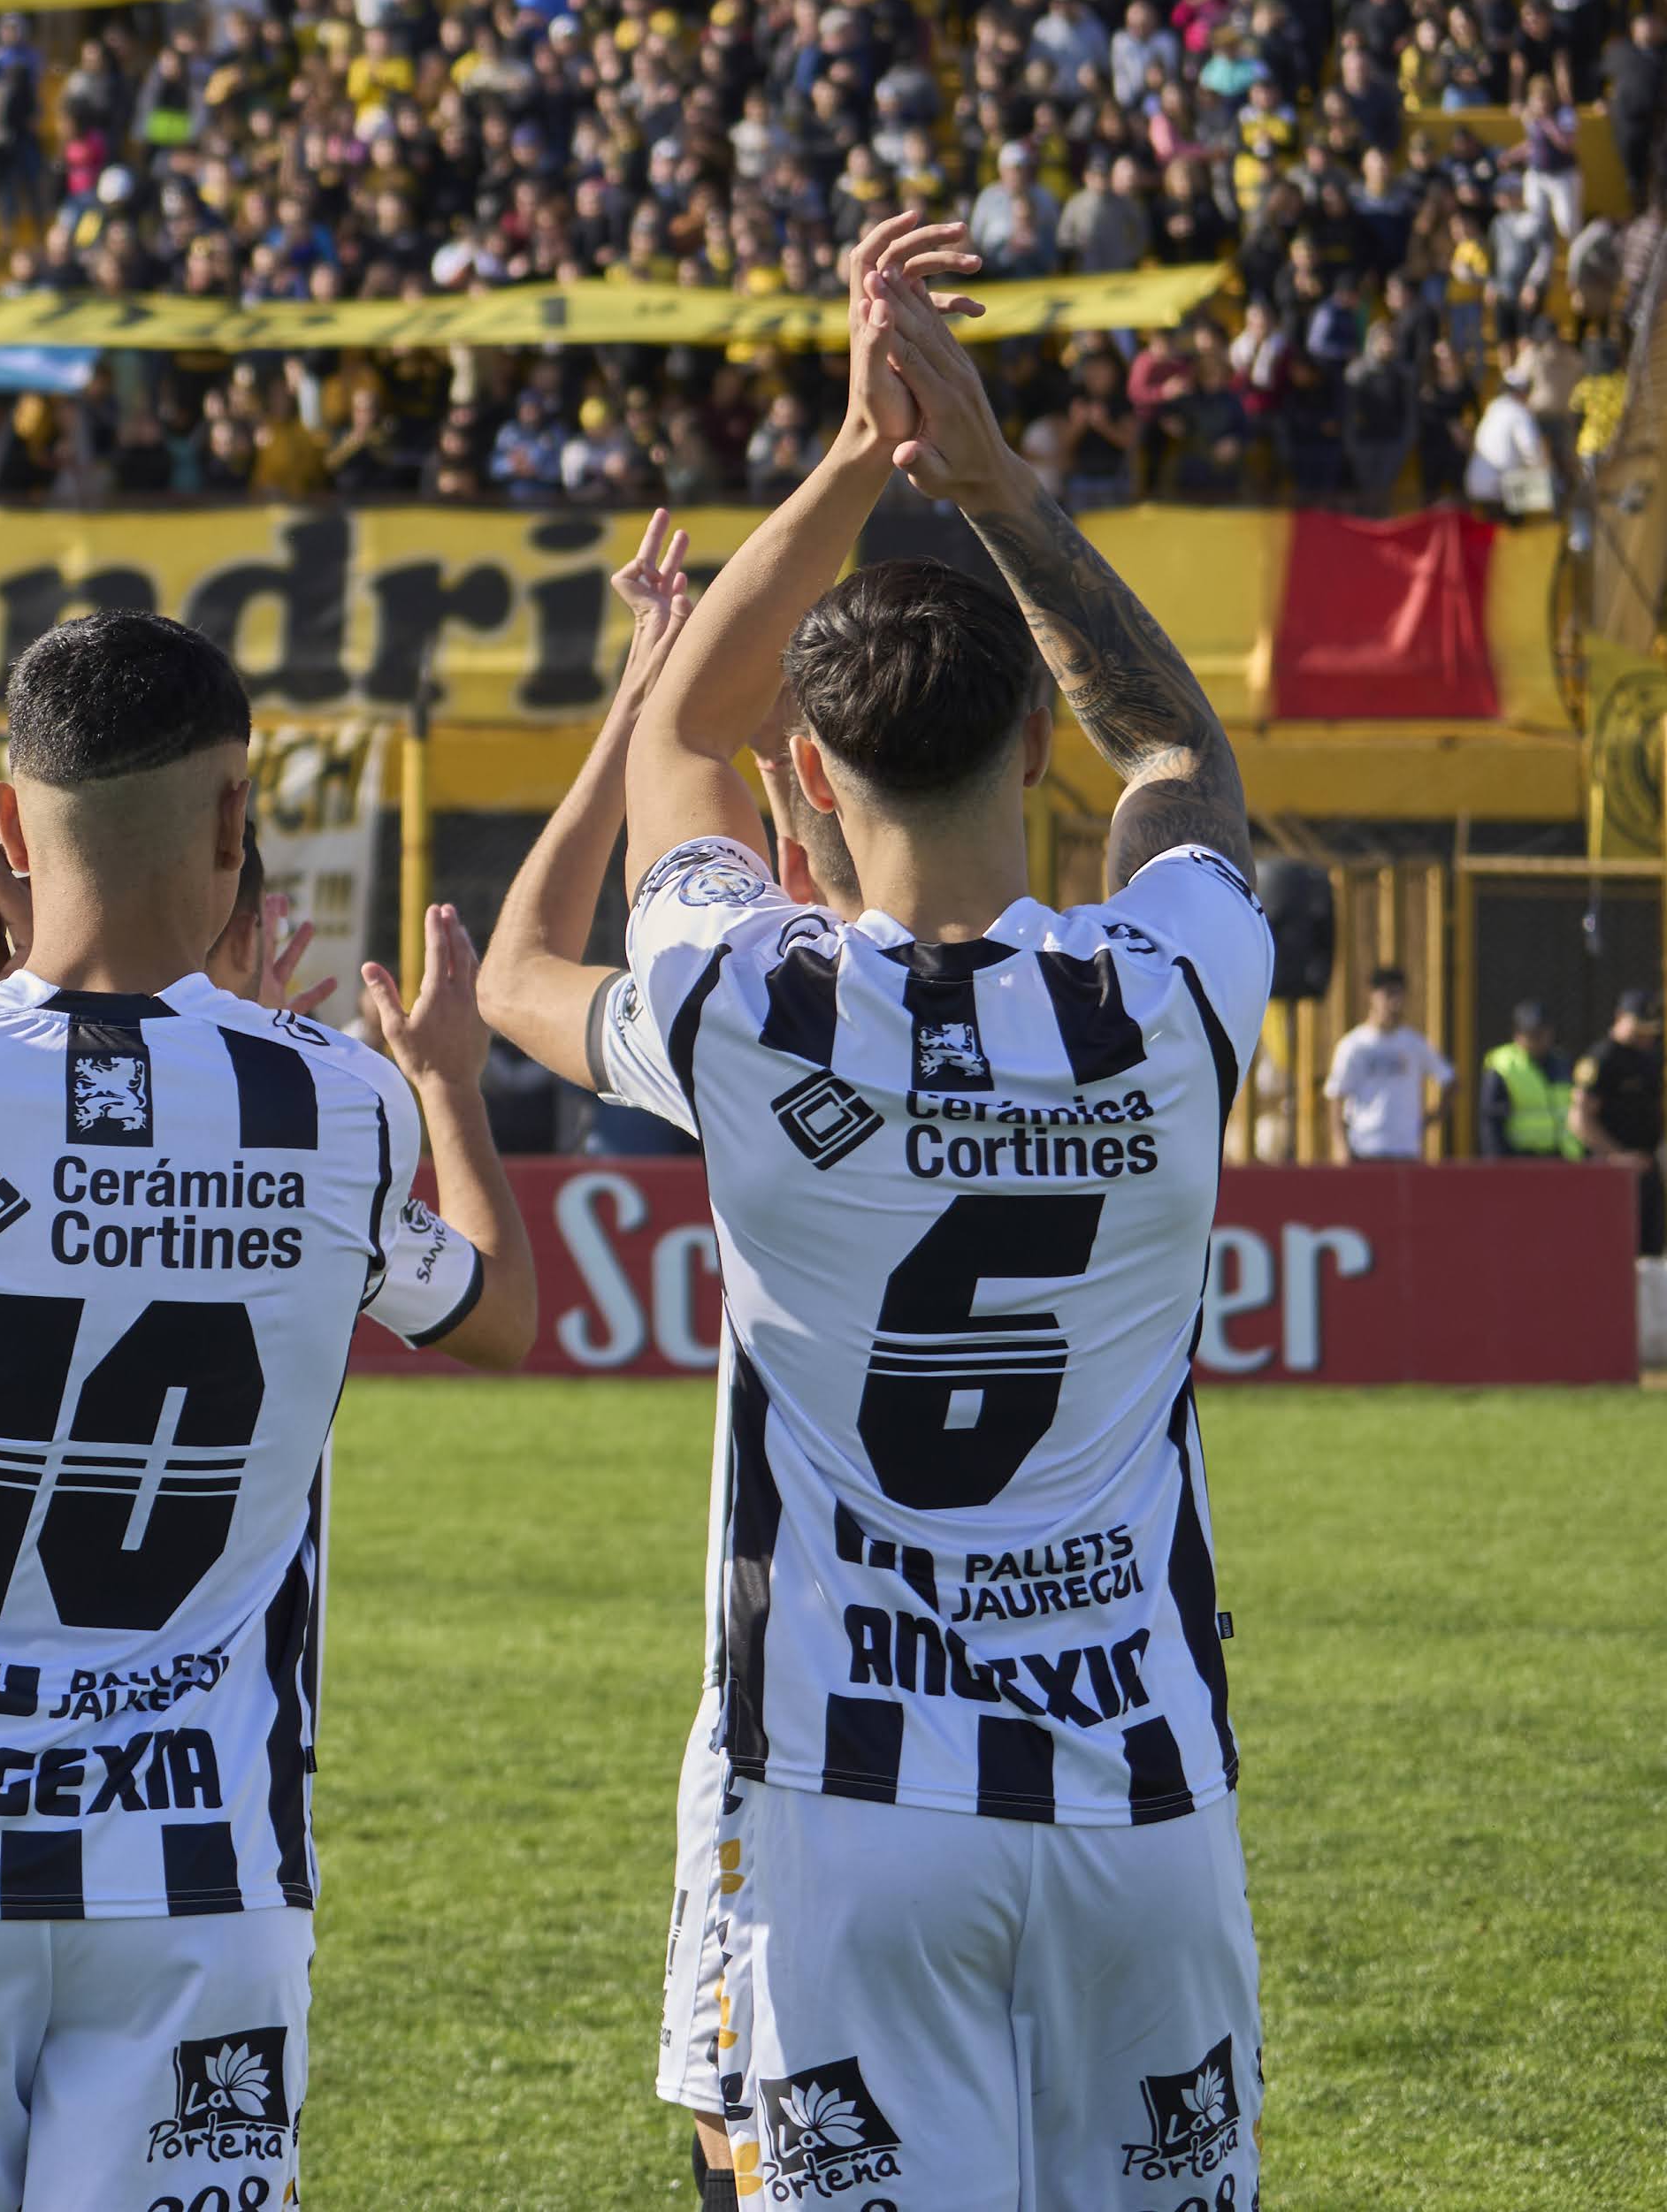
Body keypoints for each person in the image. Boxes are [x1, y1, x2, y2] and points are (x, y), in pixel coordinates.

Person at [618, 212, 1271, 2212]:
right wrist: (984, 475)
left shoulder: (749, 997)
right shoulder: (1170, 991)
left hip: (854, 1799)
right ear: (1028, 750)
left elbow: (670, 734)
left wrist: (846, 454)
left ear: (811, 768)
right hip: (1142, 1796)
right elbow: (1179, 743)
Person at [0, 614, 534, 2209]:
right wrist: (447, 1080)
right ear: (236, 822)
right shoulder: (339, 1099)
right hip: (199, 1866)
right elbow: (500, 1321)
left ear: (8, 835)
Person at [475, 509, 864, 2204]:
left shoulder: (753, 1032)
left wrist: (647, 697)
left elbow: (510, 975)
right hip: (1081, 1778)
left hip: (803, 1776)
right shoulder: (1111, 1013)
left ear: (807, 810)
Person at [1571, 987, 1664, 1255]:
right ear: (1620, 1017)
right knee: (1613, 1250)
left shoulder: (1650, 1057)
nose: (1645, 1036)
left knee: (1650, 1251)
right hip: (1613, 1171)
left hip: (1646, 1165)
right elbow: (1579, 1118)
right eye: (1639, 1028)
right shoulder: (1603, 1058)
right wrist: (1617, 1156)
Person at [1323, 967, 1449, 1163]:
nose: (1394, 1002)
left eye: (1399, 994)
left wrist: (1427, 1120)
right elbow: (1336, 1096)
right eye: (1388, 993)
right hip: (1365, 1147)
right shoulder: (1354, 1045)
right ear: (1372, 996)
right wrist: (1340, 1145)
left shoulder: (1413, 1043)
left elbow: (1449, 1080)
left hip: (1405, 1149)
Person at [1480, 996, 1576, 1156]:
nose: (1540, 1039)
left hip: (1562, 1157)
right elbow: (1491, 1120)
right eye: (1533, 1034)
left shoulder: (1562, 1062)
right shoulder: (1503, 1065)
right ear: (1517, 1034)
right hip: (1520, 1159)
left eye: (1544, 1032)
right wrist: (1497, 1164)